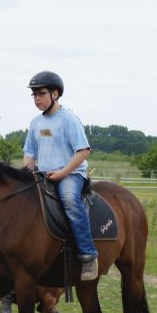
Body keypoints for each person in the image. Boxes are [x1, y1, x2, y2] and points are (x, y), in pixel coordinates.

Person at [23, 70, 98, 281]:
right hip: (43, 174)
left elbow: (83, 151)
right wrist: (25, 173)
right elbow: (30, 154)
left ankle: (88, 255)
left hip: (70, 174)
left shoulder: (69, 119)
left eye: (41, 93)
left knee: (69, 200)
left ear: (55, 94)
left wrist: (63, 172)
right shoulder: (36, 122)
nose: (37, 99)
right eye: (34, 95)